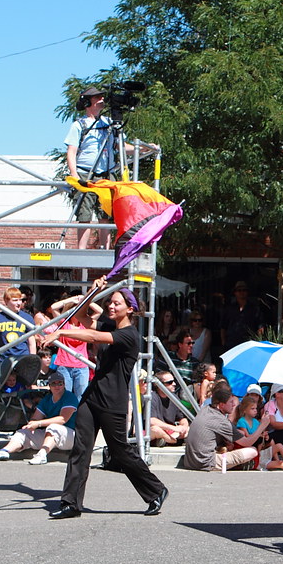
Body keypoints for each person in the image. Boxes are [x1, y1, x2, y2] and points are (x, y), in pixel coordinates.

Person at [42, 277, 168, 519]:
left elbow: (91, 336)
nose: (111, 306)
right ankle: (70, 504)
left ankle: (156, 490)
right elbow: (79, 314)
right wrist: (93, 291)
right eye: (110, 302)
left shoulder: (130, 336)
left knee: (120, 451)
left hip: (113, 402)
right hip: (92, 397)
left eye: (116, 303)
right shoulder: (109, 328)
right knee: (80, 449)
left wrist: (59, 333)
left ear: (130, 309)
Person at [64, 86, 137, 250]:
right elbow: (72, 151)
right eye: (97, 97)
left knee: (106, 215)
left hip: (106, 175)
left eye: (102, 97)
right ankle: (81, 251)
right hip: (85, 174)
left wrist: (143, 148)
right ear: (87, 102)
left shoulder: (109, 124)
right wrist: (74, 175)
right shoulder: (79, 125)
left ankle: (106, 249)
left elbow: (121, 146)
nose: (102, 100)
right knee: (85, 215)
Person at [0, 371, 78, 465]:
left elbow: (62, 419)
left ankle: (42, 455)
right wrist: (32, 425)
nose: (57, 386)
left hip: (72, 436)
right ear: (49, 386)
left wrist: (39, 423)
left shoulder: (70, 397)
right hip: (53, 437)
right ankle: (4, 451)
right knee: (23, 432)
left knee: (53, 427)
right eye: (54, 384)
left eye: (60, 383)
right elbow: (36, 418)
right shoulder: (47, 399)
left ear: (64, 385)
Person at [183, 383, 266, 472]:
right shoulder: (221, 421)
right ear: (222, 405)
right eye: (231, 402)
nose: (234, 405)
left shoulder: (205, 409)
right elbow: (247, 442)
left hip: (189, 461)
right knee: (252, 451)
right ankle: (238, 465)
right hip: (206, 463)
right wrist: (263, 425)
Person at [49, 293, 102, 398]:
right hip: (64, 365)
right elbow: (53, 307)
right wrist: (72, 300)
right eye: (76, 310)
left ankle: (79, 415)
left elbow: (99, 311)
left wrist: (85, 301)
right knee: (64, 396)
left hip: (82, 366)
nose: (78, 312)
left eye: (81, 310)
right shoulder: (64, 323)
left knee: (81, 397)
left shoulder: (85, 325)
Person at [0, 287, 37, 365]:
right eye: (15, 300)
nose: (19, 303)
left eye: (20, 300)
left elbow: (32, 342)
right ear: (6, 301)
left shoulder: (27, 318)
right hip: (5, 359)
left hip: (23, 357)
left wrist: (32, 359)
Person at [149, 371, 190, 446]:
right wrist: (174, 428)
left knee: (189, 429)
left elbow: (182, 418)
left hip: (172, 432)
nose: (174, 384)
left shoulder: (174, 397)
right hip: (159, 430)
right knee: (155, 429)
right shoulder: (152, 397)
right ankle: (171, 440)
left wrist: (184, 426)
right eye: (170, 382)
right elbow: (152, 421)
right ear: (158, 385)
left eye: (174, 381)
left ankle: (167, 440)